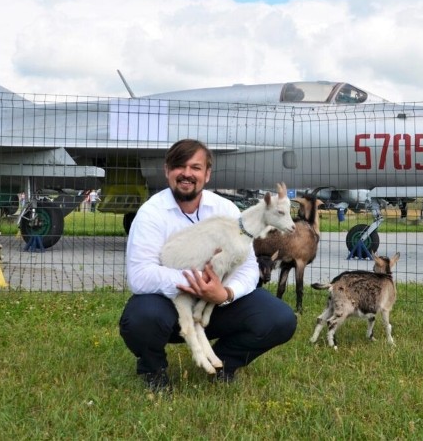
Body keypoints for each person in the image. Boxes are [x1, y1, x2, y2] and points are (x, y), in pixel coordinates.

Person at [119, 139, 297, 391]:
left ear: (207, 174)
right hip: (170, 305)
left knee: (279, 318)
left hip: (215, 303)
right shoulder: (151, 213)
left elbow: (246, 267)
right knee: (141, 317)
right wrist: (197, 283)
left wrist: (225, 293)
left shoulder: (225, 208)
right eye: (179, 166)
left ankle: (223, 363)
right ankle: (154, 369)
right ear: (167, 170)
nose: (187, 173)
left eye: (196, 167)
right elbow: (140, 275)